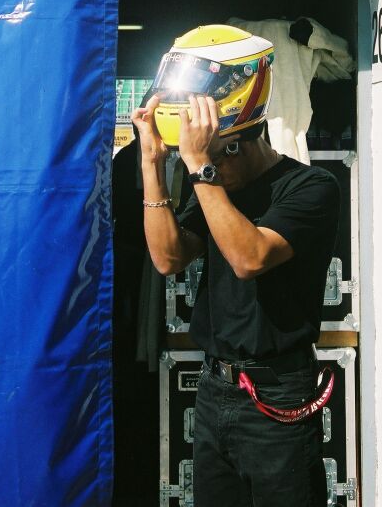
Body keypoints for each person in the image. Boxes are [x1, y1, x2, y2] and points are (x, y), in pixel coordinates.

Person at [131, 25, 340, 507]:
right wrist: (152, 165)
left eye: (214, 161)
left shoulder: (310, 187)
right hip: (215, 390)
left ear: (239, 143)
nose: (207, 176)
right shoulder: (215, 184)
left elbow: (250, 257)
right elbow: (168, 257)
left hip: (278, 394)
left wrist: (201, 168)